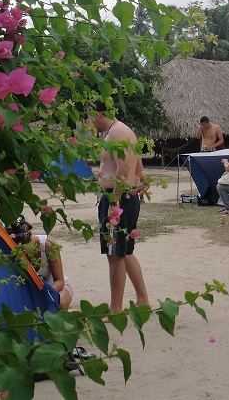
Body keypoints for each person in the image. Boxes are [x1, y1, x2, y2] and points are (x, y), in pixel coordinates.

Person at [92, 103, 150, 314]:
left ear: (97, 114)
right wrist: (141, 180)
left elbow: (123, 168)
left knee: (115, 255)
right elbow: (138, 164)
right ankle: (143, 300)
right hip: (124, 196)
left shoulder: (117, 132)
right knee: (125, 252)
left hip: (118, 199)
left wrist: (114, 203)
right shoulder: (122, 130)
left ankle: (115, 308)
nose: (91, 123)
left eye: (91, 117)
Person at [7, 215, 74, 310]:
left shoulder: (48, 244)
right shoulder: (9, 251)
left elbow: (60, 281)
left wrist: (43, 294)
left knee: (59, 302)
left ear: (30, 240)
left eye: (23, 250)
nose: (20, 255)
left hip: (53, 288)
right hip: (26, 291)